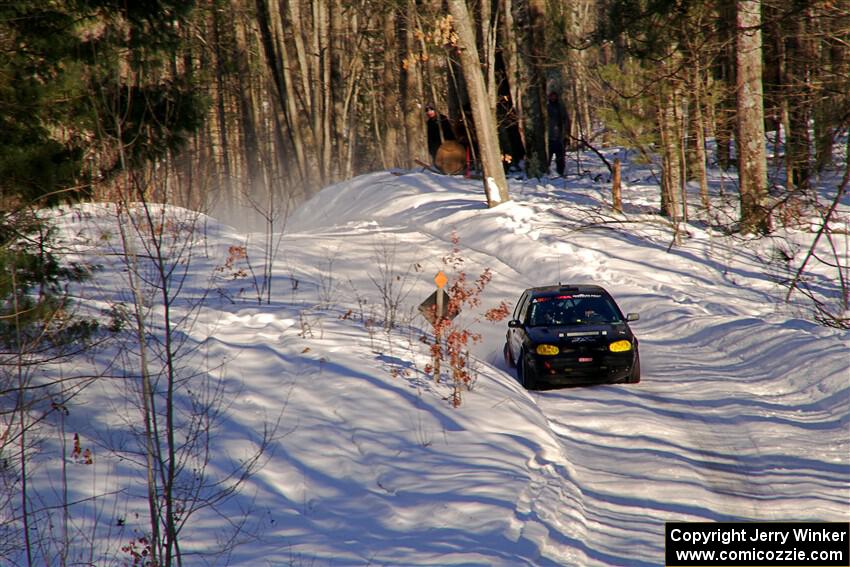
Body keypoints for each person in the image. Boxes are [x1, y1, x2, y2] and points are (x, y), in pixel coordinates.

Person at [547, 91, 568, 176]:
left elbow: (566, 121)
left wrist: (565, 134)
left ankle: (561, 173)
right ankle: (546, 173)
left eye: (554, 96)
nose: (553, 98)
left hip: (559, 137)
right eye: (551, 96)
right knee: (548, 157)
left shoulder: (561, 108)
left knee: (560, 158)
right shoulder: (546, 108)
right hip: (549, 137)